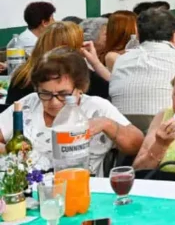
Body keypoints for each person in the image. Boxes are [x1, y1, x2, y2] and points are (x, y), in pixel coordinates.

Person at [0, 48, 144, 175]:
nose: (54, 102)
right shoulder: (30, 103)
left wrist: (108, 124)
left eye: (64, 94)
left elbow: (137, 145)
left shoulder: (97, 107)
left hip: (80, 186)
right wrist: (10, 152)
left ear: (80, 88)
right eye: (45, 93)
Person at [109, 9, 175, 116]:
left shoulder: (121, 60)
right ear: (174, 36)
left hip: (123, 125)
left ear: (138, 35)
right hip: (171, 124)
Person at [7, 22, 111, 104]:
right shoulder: (78, 75)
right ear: (73, 48)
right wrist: (96, 63)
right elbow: (112, 90)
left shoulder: (21, 74)